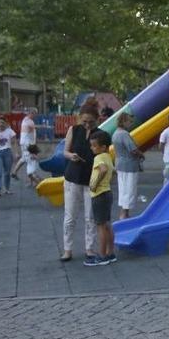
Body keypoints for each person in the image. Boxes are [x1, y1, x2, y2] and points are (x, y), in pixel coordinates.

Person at [60, 99, 99, 262]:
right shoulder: (74, 130)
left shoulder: (101, 134)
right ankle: (67, 249)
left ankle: (89, 247)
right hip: (73, 177)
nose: (87, 125)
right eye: (84, 121)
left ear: (96, 120)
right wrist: (71, 156)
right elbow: (65, 152)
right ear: (79, 119)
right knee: (70, 216)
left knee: (90, 216)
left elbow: (103, 156)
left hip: (91, 179)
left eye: (90, 122)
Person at [87, 130, 117, 266]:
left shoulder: (98, 158)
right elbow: (111, 171)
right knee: (107, 225)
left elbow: (103, 170)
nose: (92, 148)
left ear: (103, 147)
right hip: (107, 193)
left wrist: (94, 184)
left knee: (100, 226)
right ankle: (110, 253)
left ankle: (102, 255)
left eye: (94, 145)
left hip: (99, 194)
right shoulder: (108, 156)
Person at [112, 112, 143, 219]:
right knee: (130, 189)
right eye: (129, 121)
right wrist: (141, 155)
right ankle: (124, 213)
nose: (130, 124)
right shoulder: (124, 134)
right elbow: (133, 149)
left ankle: (124, 212)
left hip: (119, 164)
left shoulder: (115, 133)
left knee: (123, 189)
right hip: (129, 165)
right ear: (124, 121)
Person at [12, 108, 37, 180]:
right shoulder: (29, 121)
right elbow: (34, 127)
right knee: (31, 159)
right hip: (28, 143)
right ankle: (33, 177)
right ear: (31, 113)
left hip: (24, 142)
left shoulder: (25, 120)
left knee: (23, 158)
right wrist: (45, 126)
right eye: (35, 113)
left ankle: (14, 172)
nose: (35, 115)